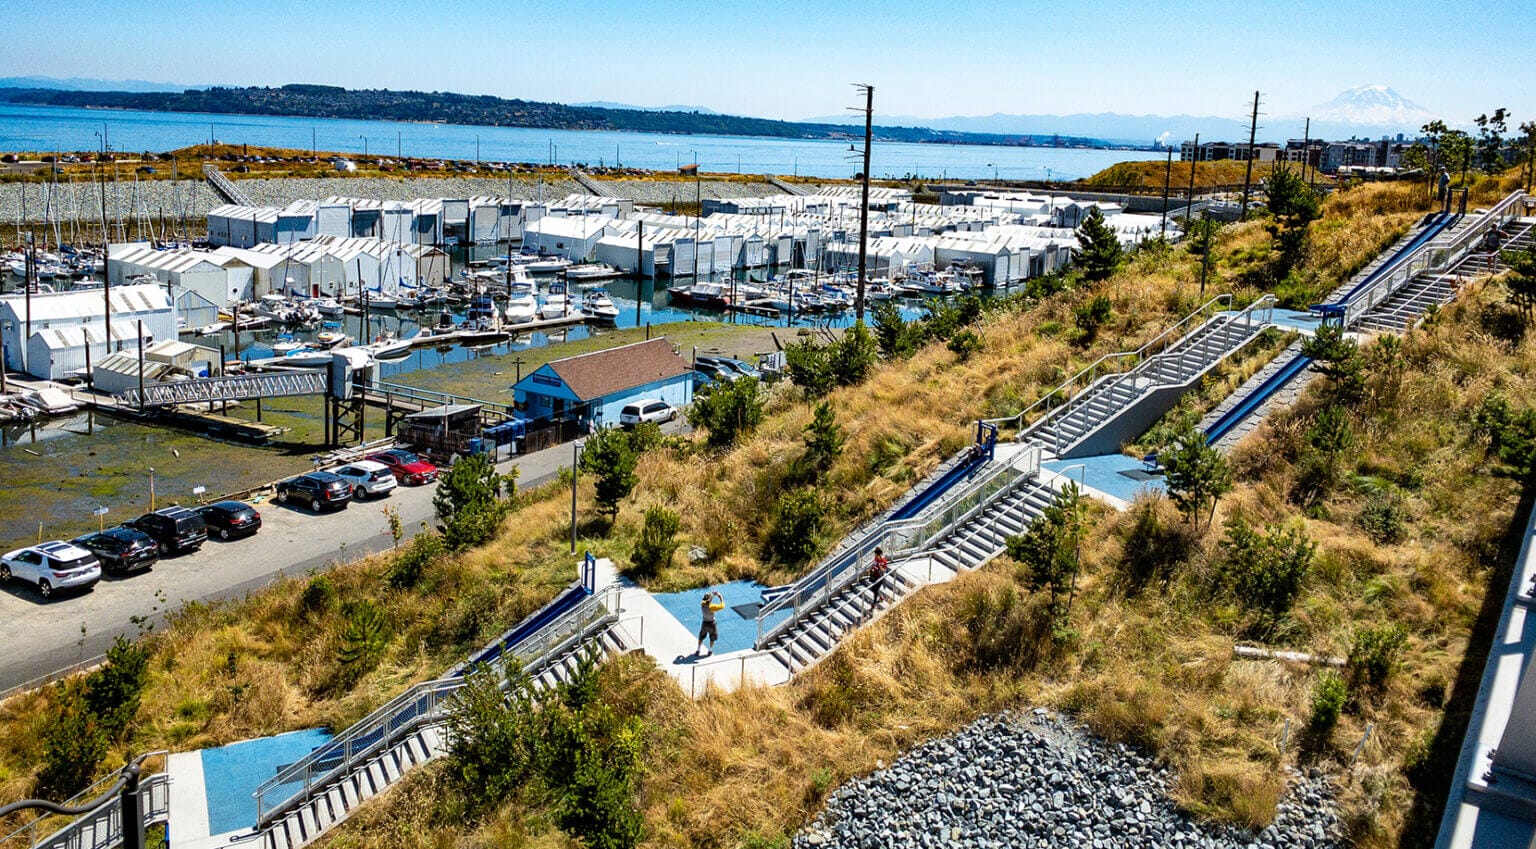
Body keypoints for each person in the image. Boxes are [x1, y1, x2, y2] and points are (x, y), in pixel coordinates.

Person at [696, 591, 725, 656]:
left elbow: (706, 599)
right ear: (711, 600)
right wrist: (720, 597)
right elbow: (722, 605)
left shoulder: (702, 604)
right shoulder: (712, 607)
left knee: (701, 637)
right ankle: (710, 650)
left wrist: (712, 595)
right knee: (712, 637)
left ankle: (698, 650)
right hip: (712, 623)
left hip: (704, 623)